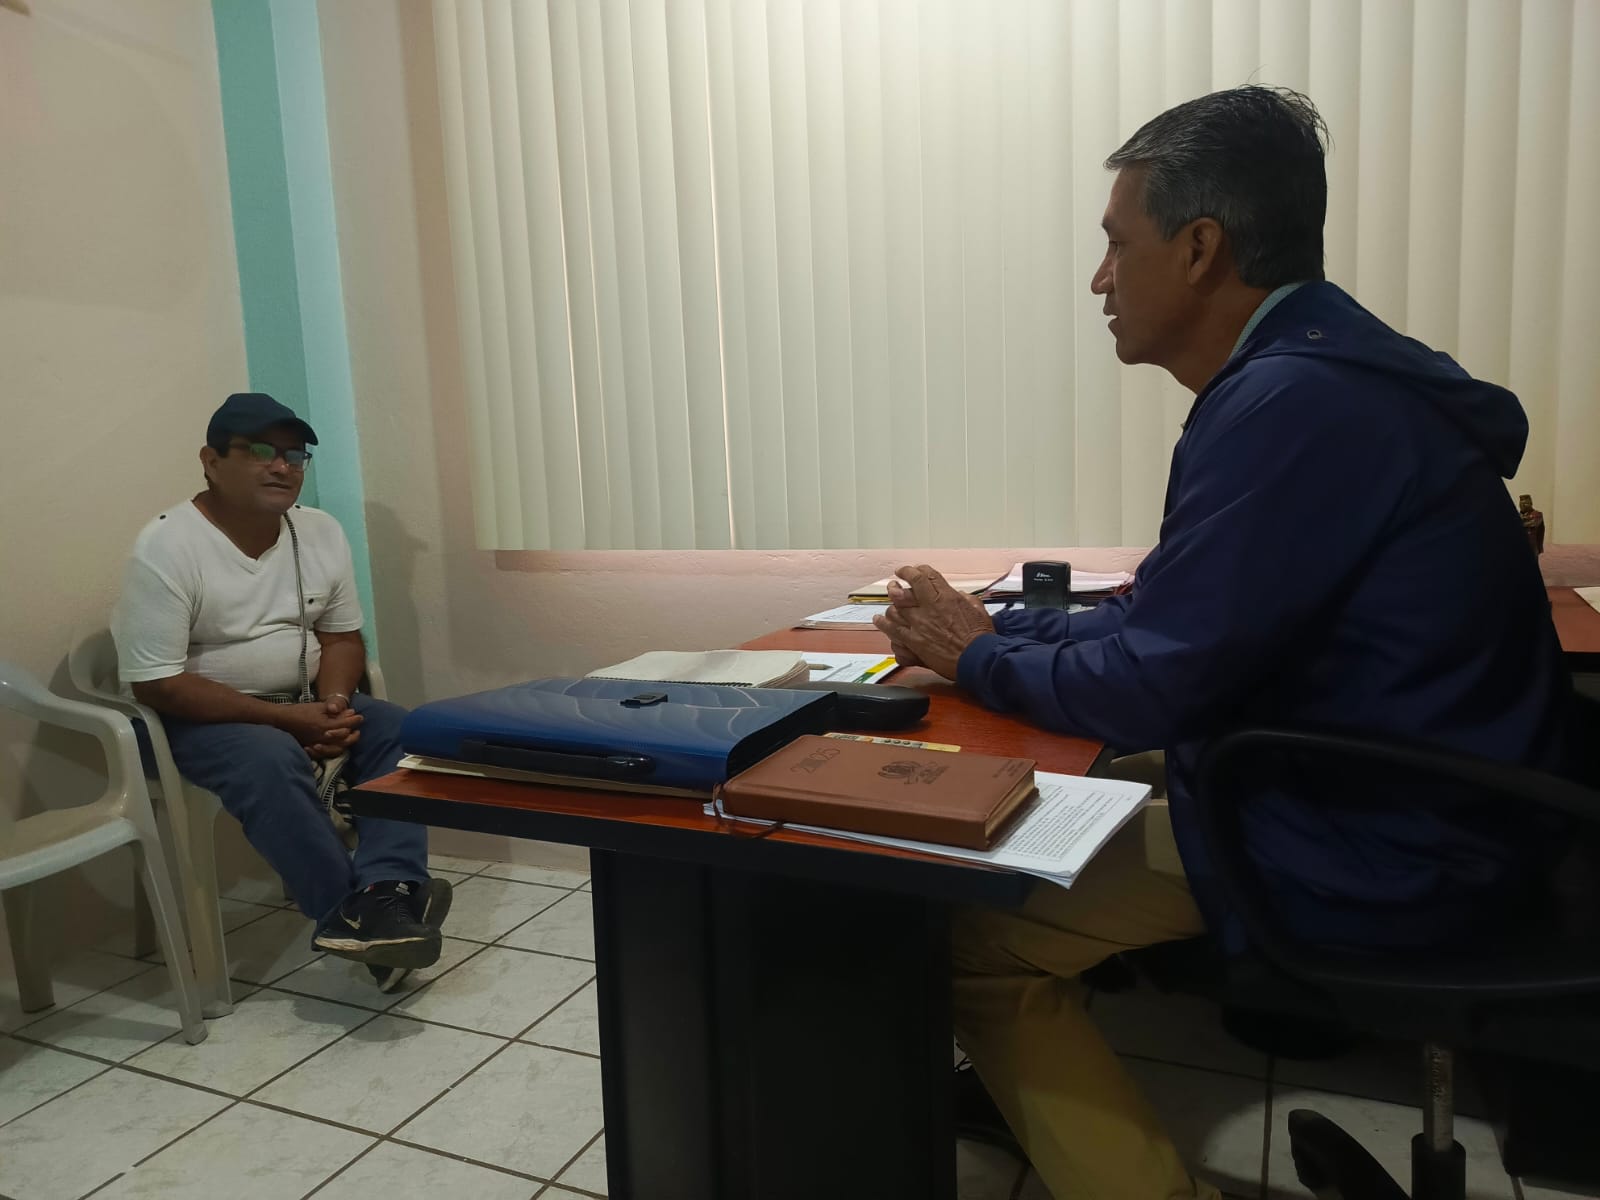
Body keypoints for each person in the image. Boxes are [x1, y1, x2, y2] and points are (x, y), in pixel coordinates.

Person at [876, 87, 1569, 1200]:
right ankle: (1041, 1098)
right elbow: (1176, 619)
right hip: (1409, 800)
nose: (1099, 279)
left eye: (1117, 244)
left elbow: (1153, 683)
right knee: (1056, 792)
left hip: (1383, 847)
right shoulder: (1323, 374)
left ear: (1200, 249)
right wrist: (1004, 630)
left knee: (970, 935)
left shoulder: (1294, 404)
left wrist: (975, 659)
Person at [113, 392, 452, 993]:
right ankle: (354, 914)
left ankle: (386, 888)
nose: (282, 466)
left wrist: (333, 707)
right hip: (191, 720)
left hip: (304, 702)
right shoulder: (167, 545)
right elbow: (159, 683)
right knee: (268, 757)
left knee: (400, 727)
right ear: (211, 461)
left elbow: (342, 638)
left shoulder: (319, 532)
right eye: (259, 451)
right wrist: (292, 723)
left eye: (295, 455)